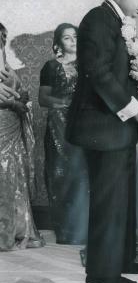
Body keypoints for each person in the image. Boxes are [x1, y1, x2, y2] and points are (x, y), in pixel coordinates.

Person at [66, 0, 138, 283]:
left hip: (115, 129)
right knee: (109, 200)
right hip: (103, 127)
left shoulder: (122, 24)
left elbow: (125, 72)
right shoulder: (98, 19)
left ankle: (123, 259)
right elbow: (99, 74)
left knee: (123, 197)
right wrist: (137, 112)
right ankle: (102, 274)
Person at [39, 23, 89, 245]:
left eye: (75, 36)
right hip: (58, 126)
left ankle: (83, 228)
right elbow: (43, 99)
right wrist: (64, 103)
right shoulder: (50, 67)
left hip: (84, 124)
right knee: (59, 174)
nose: (73, 41)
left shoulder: (88, 65)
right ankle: (64, 231)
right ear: (59, 44)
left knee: (82, 173)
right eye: (67, 38)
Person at [0, 22, 44, 250]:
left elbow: (20, 91)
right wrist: (14, 102)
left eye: (2, 39)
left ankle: (18, 228)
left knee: (15, 174)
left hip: (12, 126)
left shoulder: (7, 67)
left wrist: (22, 99)